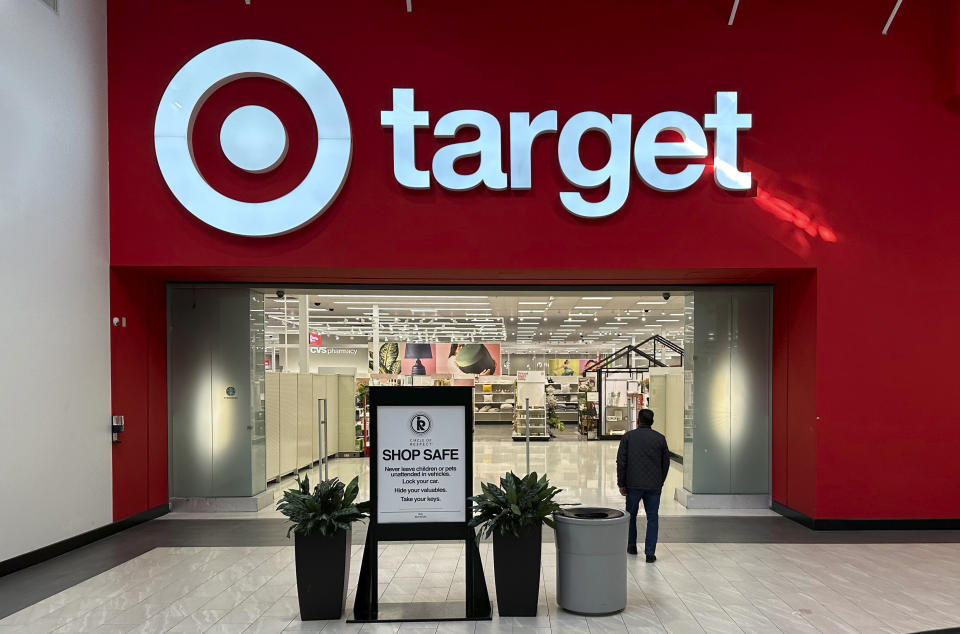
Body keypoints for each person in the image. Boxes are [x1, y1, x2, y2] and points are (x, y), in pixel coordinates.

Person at [616, 408, 669, 562]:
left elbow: (621, 462)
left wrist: (621, 483)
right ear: (652, 422)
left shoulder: (628, 437)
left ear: (638, 421)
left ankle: (631, 546)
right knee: (652, 518)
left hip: (633, 484)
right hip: (654, 485)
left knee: (630, 515)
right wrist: (661, 480)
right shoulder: (660, 438)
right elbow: (665, 463)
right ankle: (650, 553)